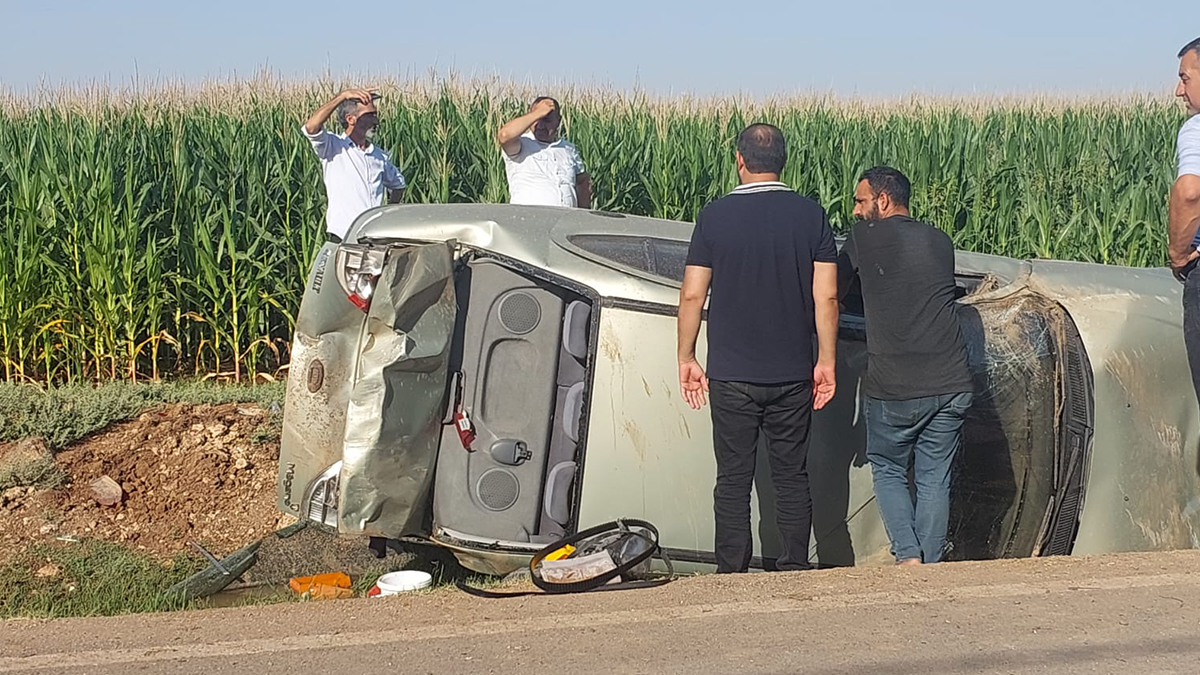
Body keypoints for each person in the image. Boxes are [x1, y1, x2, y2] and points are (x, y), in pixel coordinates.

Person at [677, 123, 839, 574]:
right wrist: (826, 361)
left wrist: (687, 357)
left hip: (730, 373)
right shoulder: (811, 216)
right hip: (792, 371)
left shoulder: (714, 216)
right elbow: (826, 296)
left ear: (739, 160)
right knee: (791, 476)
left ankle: (732, 570)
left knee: (733, 477)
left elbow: (693, 295)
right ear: (783, 160)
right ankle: (791, 564)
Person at [836, 166, 974, 566]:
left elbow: (836, 290)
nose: (856, 211)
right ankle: (929, 564)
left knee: (888, 467)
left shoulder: (863, 238)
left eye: (861, 201)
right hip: (952, 381)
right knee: (934, 479)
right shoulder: (940, 240)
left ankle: (909, 556)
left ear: (882, 200)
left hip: (895, 383)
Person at [302, 88, 406, 243]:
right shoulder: (333, 147)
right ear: (351, 119)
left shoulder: (379, 156)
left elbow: (398, 185)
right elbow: (311, 127)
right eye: (370, 115)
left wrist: (387, 213)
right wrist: (342, 97)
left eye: (375, 115)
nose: (376, 121)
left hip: (374, 239)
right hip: (343, 238)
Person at [1168, 37, 1200, 409]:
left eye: (1185, 78)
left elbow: (1190, 191)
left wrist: (1179, 254)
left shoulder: (1195, 129)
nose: (1179, 90)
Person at [497, 97, 591, 208]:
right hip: (528, 220)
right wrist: (538, 113)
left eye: (547, 120)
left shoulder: (568, 149)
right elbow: (504, 135)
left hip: (565, 221)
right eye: (536, 119)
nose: (540, 126)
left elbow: (582, 182)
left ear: (558, 121)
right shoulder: (521, 145)